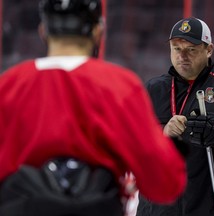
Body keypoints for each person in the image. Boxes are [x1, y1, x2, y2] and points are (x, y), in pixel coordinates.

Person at [0, 1, 187, 216]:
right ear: (99, 30)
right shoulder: (120, 86)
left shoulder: (8, 86)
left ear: (43, 30)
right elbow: (164, 182)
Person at [136, 17, 214, 216]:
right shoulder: (152, 90)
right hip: (154, 211)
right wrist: (162, 132)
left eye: (191, 49)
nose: (182, 56)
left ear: (209, 49)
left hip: (208, 209)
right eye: (176, 48)